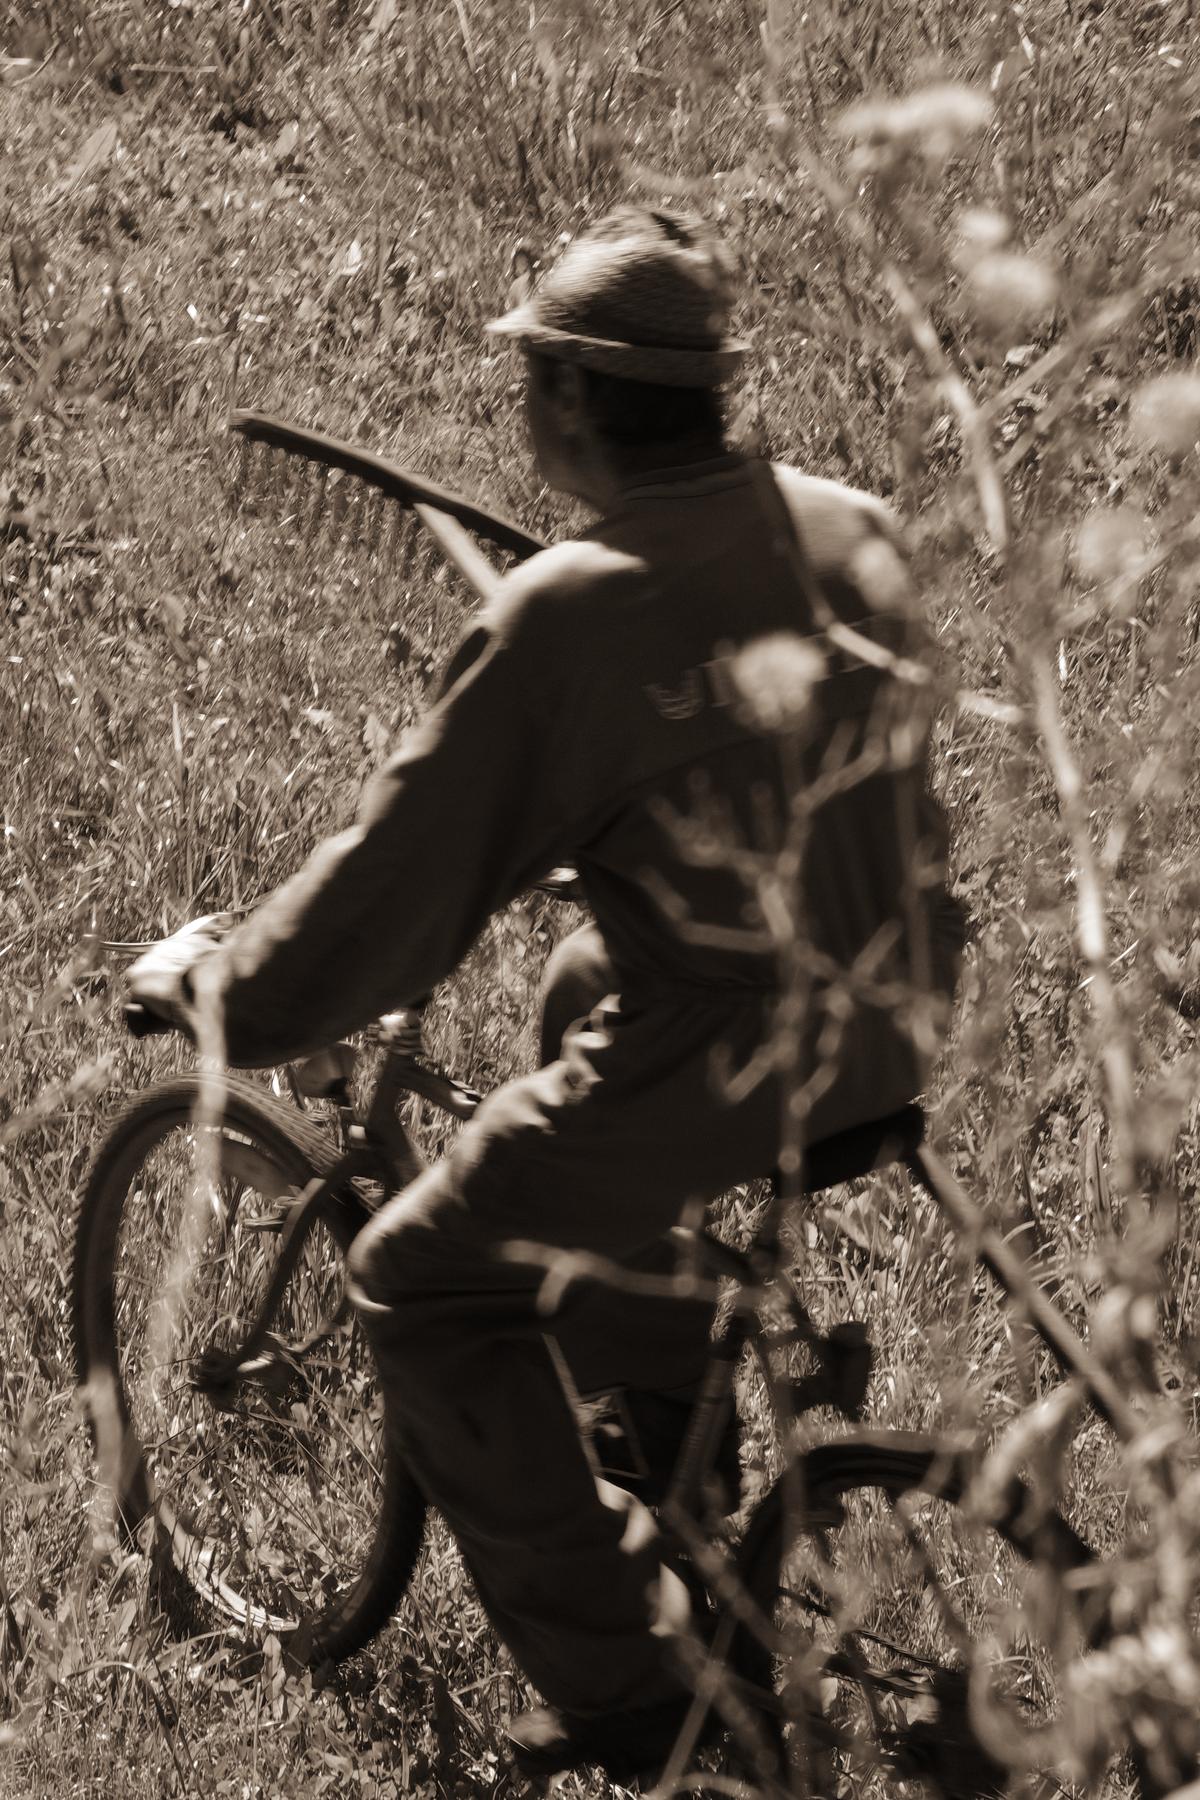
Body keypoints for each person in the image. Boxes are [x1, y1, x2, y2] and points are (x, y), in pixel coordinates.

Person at [128, 206, 962, 1782]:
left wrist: (222, 985)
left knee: (418, 1279)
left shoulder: (568, 617)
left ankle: (650, 1708)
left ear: (574, 395)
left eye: (532, 380)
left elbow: (388, 902)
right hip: (905, 994)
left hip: (745, 1048)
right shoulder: (848, 523)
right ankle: (663, 1430)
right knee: (585, 975)